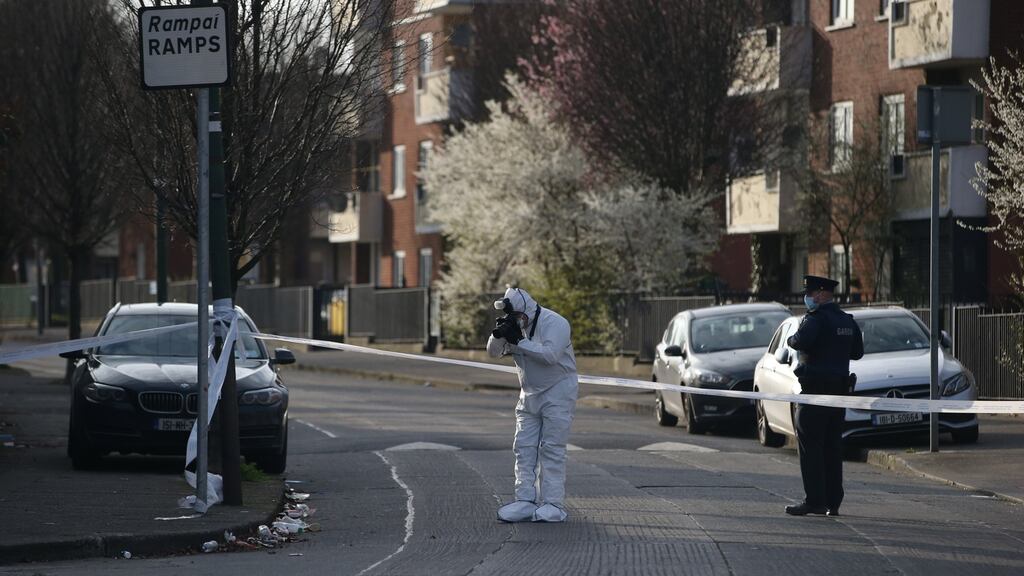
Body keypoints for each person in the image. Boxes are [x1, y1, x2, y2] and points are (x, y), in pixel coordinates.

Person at [487, 287, 578, 523]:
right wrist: (499, 335)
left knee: (552, 449)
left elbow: (550, 356)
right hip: (529, 392)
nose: (519, 322)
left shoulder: (555, 323)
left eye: (519, 317)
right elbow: (493, 353)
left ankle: (553, 504)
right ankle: (525, 499)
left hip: (558, 391)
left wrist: (519, 341)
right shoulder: (514, 324)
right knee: (523, 447)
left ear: (527, 310)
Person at [784, 275, 864, 517]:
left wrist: (790, 338)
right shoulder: (847, 321)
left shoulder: (816, 319)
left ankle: (815, 501)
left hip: (815, 393)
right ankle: (833, 501)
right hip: (839, 394)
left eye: (809, 293)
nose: (808, 298)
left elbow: (799, 341)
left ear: (820, 294)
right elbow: (857, 353)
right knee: (832, 447)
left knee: (811, 448)